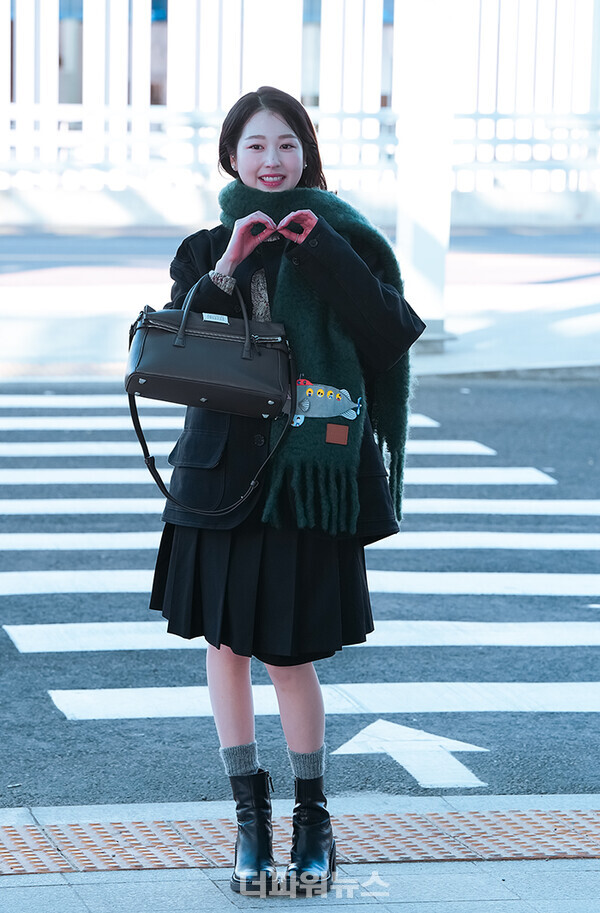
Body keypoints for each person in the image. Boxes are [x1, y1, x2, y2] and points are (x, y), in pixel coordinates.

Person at [149, 86, 425, 896]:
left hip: (309, 484)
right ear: (231, 156)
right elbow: (174, 348)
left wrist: (324, 254)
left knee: (290, 654)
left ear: (308, 152)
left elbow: (387, 337)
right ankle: (248, 821)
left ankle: (313, 818)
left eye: (287, 145)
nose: (272, 162)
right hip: (220, 477)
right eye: (256, 146)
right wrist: (230, 266)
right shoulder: (205, 247)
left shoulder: (349, 240)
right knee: (226, 649)